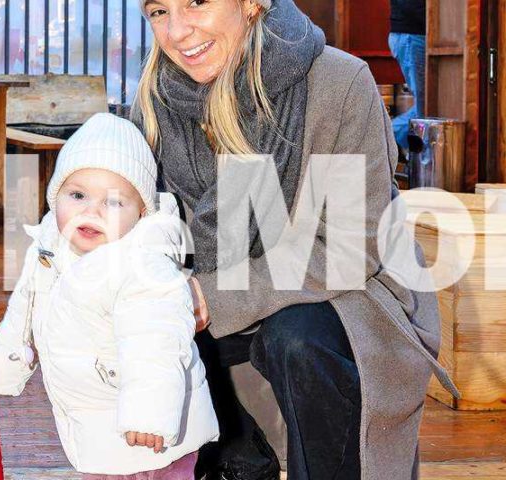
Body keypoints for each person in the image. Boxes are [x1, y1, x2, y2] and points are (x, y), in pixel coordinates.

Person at [131, 1, 457, 479]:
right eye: (159, 11)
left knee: (298, 337)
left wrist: (209, 297)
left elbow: (347, 249)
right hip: (219, 292)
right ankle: (240, 461)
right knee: (146, 321)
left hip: (342, 294)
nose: (178, 31)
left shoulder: (337, 83)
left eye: (196, 2)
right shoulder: (155, 102)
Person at [0, 113, 219, 479]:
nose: (90, 211)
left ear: (141, 212)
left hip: (153, 434)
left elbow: (157, 341)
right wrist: (3, 368)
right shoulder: (49, 248)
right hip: (97, 430)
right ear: (55, 197)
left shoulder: (143, 264)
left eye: (113, 202)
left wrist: (149, 414)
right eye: (77, 195)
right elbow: (23, 311)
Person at [389, 0, 426, 150]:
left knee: (427, 105)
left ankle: (382, 136)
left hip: (413, 33)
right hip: (413, 34)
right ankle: (381, 136)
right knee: (426, 106)